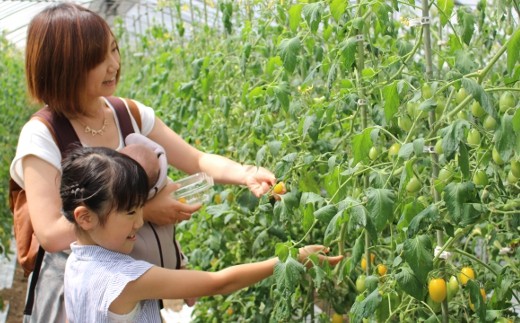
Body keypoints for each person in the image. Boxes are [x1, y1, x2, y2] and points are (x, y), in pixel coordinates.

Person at [9, 3, 277, 322]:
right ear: (64, 67)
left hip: (139, 296)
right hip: (85, 302)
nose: (114, 65)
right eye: (98, 59)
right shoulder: (44, 134)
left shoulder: (128, 113)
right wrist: (147, 209)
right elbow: (52, 233)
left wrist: (245, 173)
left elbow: (196, 159)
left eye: (114, 50)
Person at [60, 146, 343, 322]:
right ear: (85, 217)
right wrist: (294, 258)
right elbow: (217, 283)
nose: (141, 222)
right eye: (131, 213)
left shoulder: (76, 264)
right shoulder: (123, 280)